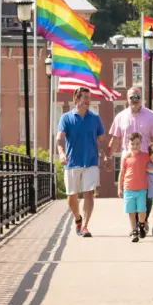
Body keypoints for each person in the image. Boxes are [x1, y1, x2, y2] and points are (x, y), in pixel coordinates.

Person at [109, 86, 153, 230]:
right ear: (127, 99)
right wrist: (108, 157)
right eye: (132, 97)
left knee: (148, 191)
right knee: (130, 193)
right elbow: (115, 139)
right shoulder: (120, 116)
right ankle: (135, 226)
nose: (135, 100)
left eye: (137, 97)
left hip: (146, 160)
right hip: (128, 160)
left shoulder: (151, 115)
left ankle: (143, 220)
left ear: (142, 98)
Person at [57, 86, 110, 238]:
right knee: (71, 196)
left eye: (89, 97)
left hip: (91, 161)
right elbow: (59, 138)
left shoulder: (95, 119)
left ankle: (85, 226)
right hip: (72, 161)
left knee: (89, 194)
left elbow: (101, 140)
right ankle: (77, 218)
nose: (88, 100)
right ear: (77, 99)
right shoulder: (66, 118)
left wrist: (105, 156)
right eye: (85, 98)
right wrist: (61, 153)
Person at [118, 132, 149, 243]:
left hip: (141, 189)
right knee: (131, 211)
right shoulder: (126, 158)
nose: (135, 146)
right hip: (128, 188)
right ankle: (134, 230)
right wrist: (119, 188)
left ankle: (141, 225)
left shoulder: (146, 156)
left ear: (141, 144)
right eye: (132, 144)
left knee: (141, 211)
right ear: (128, 144)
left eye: (137, 144)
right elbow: (122, 173)